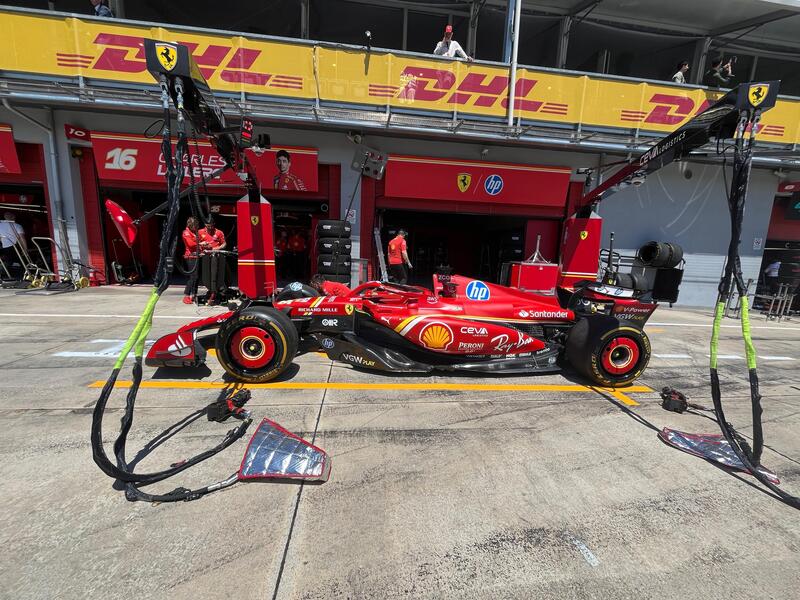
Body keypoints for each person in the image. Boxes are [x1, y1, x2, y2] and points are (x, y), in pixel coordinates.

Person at [0, 211, 25, 278]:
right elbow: (22, 238)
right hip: (15, 247)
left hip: (5, 248)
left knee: (9, 262)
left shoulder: (0, 225)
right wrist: (25, 249)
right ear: (13, 217)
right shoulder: (17, 226)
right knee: (22, 261)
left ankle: (5, 275)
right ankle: (25, 275)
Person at [181, 216, 200, 304]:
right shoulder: (186, 233)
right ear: (190, 225)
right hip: (190, 257)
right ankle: (186, 296)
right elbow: (191, 244)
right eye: (194, 225)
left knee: (197, 277)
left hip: (197, 256)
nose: (196, 227)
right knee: (192, 277)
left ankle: (194, 294)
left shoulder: (195, 233)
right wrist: (201, 244)